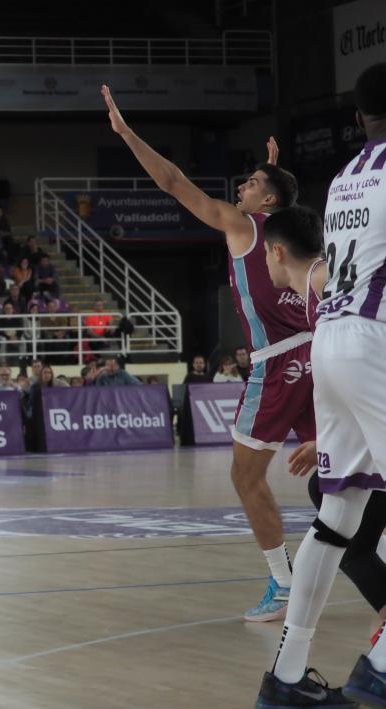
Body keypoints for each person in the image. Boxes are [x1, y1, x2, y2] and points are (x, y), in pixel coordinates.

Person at [104, 84, 312, 623]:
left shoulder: (244, 226)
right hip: (319, 354)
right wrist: (273, 171)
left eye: (251, 183)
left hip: (278, 363)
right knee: (340, 475)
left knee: (246, 477)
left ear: (266, 202)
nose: (240, 187)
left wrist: (126, 134)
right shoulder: (294, 232)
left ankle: (285, 584)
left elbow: (173, 182)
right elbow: (284, 208)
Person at [254, 65, 386, 703]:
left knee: (338, 516)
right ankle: (380, 666)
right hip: (375, 338)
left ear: (359, 119)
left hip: (330, 339)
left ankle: (285, 678)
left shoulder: (344, 179)